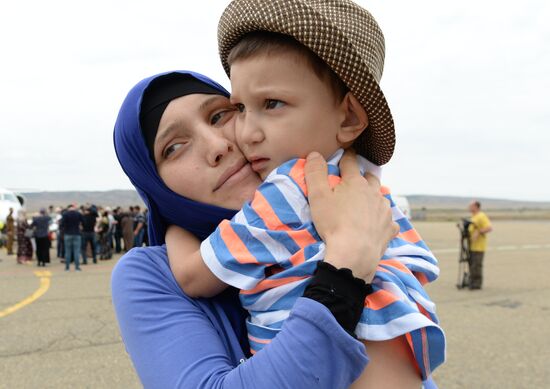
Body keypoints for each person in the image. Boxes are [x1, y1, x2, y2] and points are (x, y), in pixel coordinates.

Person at [168, 1, 444, 383]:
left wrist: (172, 228)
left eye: (272, 104)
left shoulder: (289, 189)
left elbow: (192, 276)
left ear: (348, 117)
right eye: (241, 108)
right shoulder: (370, 190)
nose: (248, 132)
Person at [111, 69, 434, 388]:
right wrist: (346, 266)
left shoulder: (346, 194)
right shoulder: (150, 273)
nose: (217, 146)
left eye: (220, 115)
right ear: (154, 184)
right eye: (174, 147)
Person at [467, 200, 492, 290]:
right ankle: (471, 281)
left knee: (477, 265)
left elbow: (489, 227)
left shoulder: (481, 216)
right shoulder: (474, 216)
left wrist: (478, 232)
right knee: (472, 265)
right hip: (472, 246)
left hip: (479, 246)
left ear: (476, 207)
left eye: (471, 206)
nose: (469, 207)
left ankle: (476, 284)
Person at [61, 204, 84, 271]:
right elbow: (83, 222)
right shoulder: (78, 214)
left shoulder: (65, 214)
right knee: (76, 251)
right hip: (76, 234)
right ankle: (77, 267)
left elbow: (62, 224)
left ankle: (67, 267)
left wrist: (64, 230)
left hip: (67, 234)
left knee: (68, 251)